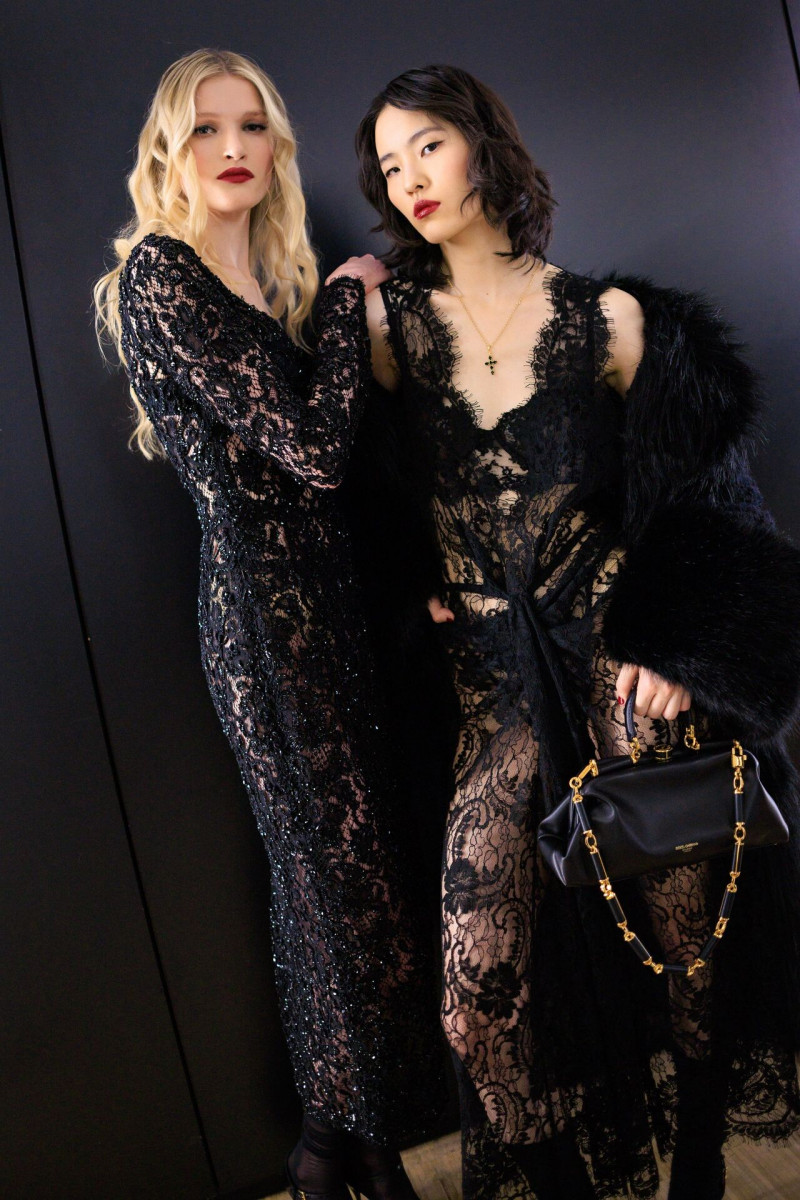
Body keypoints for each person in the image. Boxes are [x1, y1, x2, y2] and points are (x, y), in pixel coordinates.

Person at [351, 63, 800, 1200]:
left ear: (484, 145)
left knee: (688, 939)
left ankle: (698, 1163)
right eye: (388, 164)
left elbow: (714, 501)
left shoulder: (608, 317)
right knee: (474, 992)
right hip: (492, 690)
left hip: (615, 665)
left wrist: (682, 646)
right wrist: (410, 584)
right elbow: (352, 491)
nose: (408, 179)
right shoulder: (384, 326)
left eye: (428, 146)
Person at [94, 48, 444, 1200]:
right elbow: (310, 450)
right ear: (171, 148)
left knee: (353, 891)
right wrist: (346, 302)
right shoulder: (162, 277)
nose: (233, 147)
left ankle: (336, 1148)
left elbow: (333, 478)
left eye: (250, 125)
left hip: (335, 615)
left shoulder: (262, 284)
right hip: (263, 629)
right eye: (206, 128)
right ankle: (354, 1153)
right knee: (337, 896)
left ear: (275, 145)